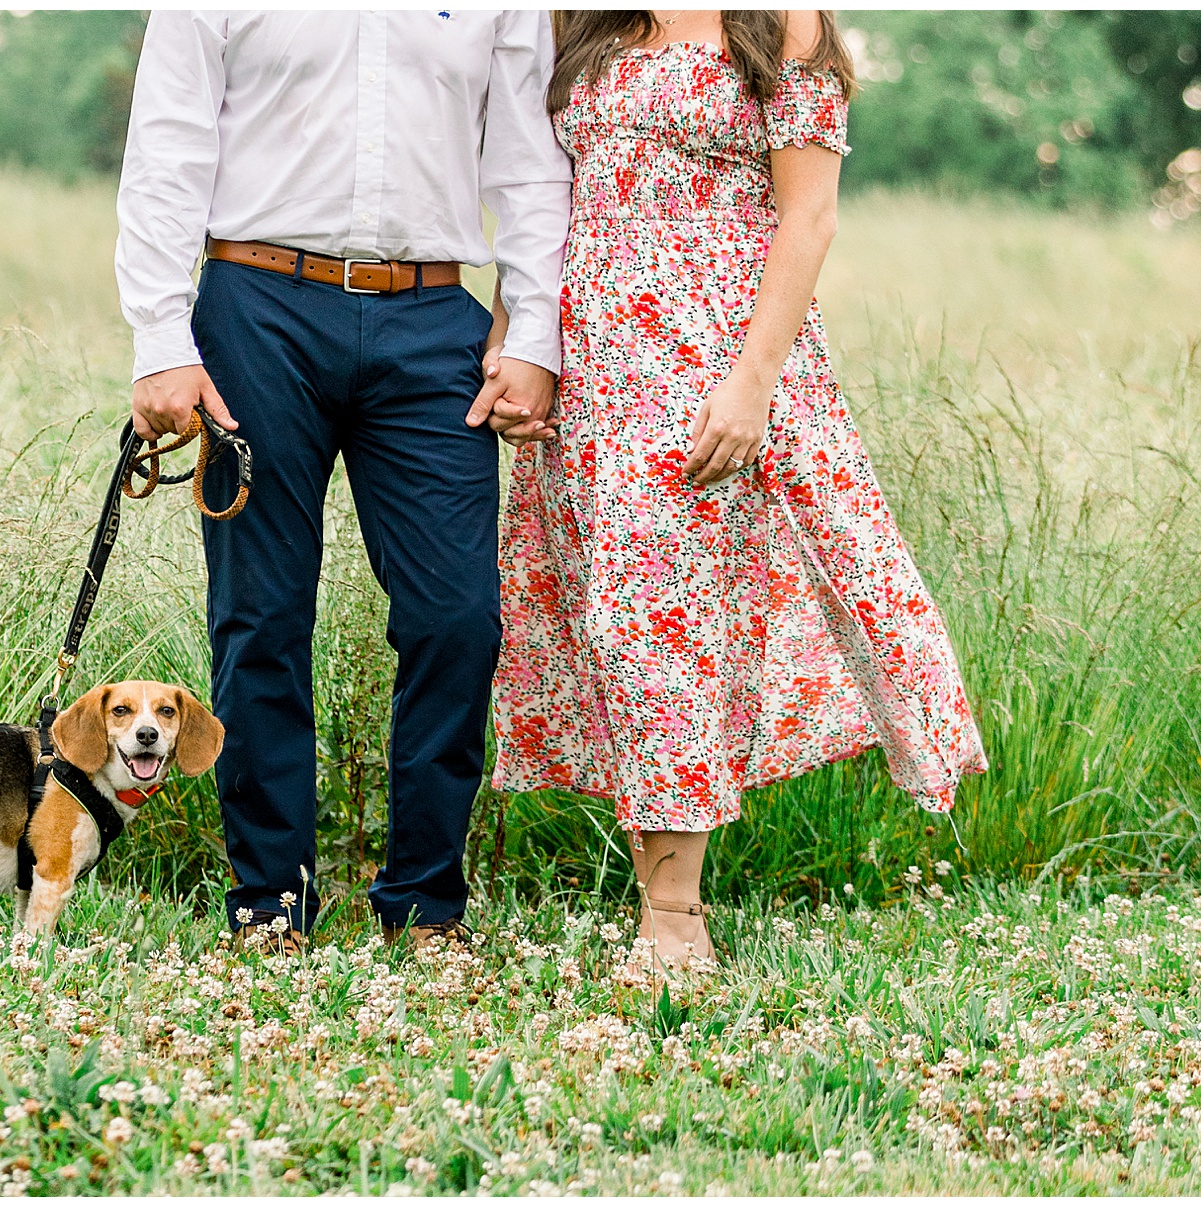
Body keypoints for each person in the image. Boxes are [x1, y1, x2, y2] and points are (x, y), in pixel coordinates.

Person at [487, 10, 987, 974]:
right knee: (630, 626)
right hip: (599, 365)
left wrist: (753, 380)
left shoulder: (779, 19)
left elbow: (809, 214)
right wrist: (518, 335)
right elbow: (549, 196)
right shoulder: (586, 16)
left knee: (679, 624)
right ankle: (661, 900)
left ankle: (675, 919)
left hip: (719, 353)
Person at [115, 11, 572, 952]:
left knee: (458, 617)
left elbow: (529, 161)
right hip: (257, 308)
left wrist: (531, 330)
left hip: (431, 316)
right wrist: (161, 339)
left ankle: (425, 901)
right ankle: (270, 899)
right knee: (263, 612)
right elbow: (168, 146)